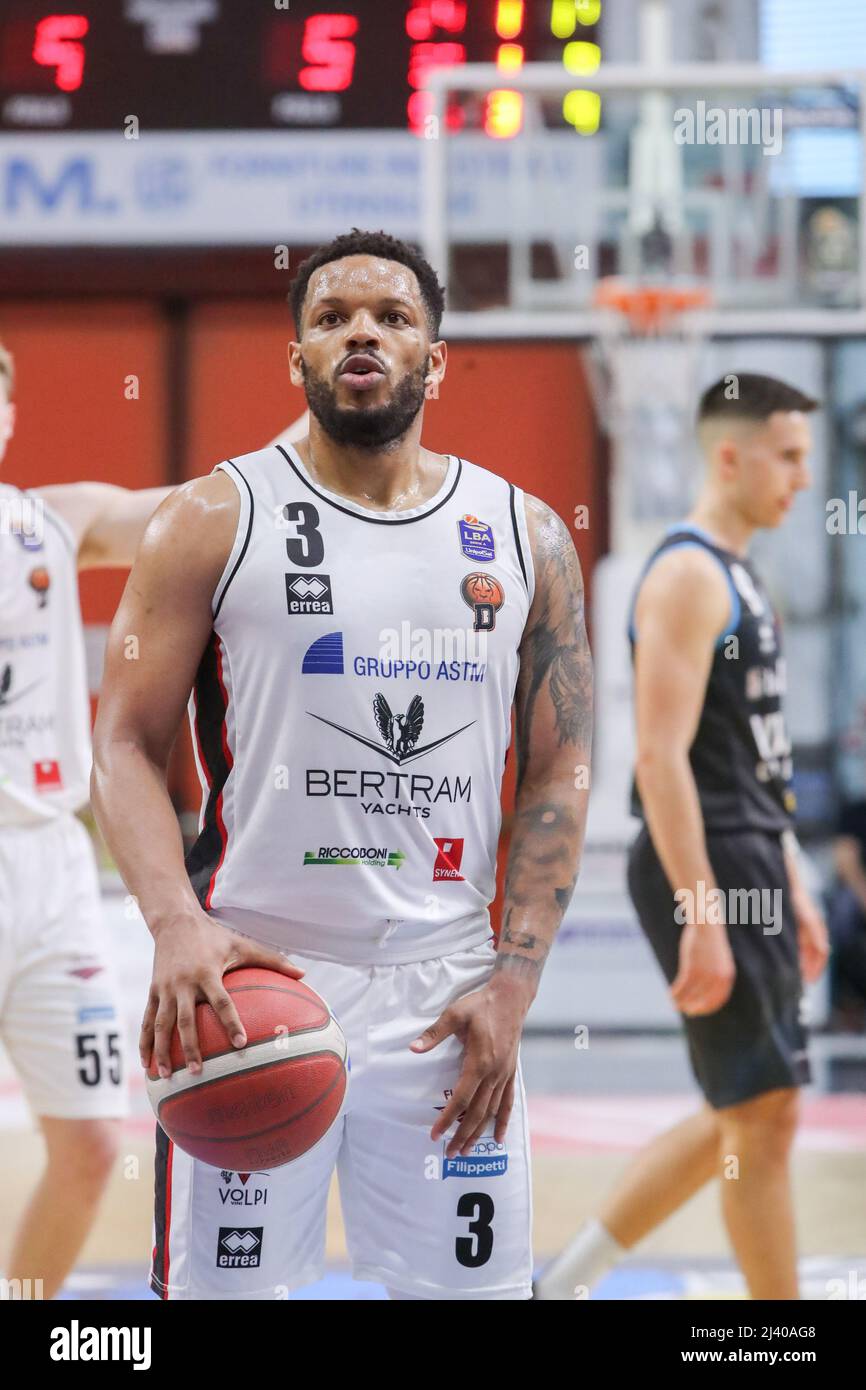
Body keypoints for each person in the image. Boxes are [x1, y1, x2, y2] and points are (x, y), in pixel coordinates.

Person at [91, 227, 594, 1301]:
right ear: (297, 360)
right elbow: (125, 740)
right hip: (252, 985)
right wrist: (174, 923)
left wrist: (513, 981)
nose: (360, 331)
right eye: (331, 318)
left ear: (435, 358)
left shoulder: (525, 535)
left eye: (391, 316)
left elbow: (559, 774)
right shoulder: (210, 518)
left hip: (451, 998)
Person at [535, 373, 829, 1301]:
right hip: (704, 862)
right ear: (728, 456)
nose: (802, 477)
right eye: (787, 456)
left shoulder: (744, 574)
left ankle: (566, 1283)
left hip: (751, 852)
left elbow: (754, 759)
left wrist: (796, 877)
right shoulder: (687, 575)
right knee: (761, 1116)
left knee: (753, 1106)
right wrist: (704, 910)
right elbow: (659, 761)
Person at [0, 341, 172, 1298]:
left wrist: (323, 432)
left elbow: (198, 505)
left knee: (94, 1146)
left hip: (51, 867)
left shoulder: (48, 523)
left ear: (12, 418)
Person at [827, 796, 866, 1025]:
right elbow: (844, 859)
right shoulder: (856, 811)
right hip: (858, 891)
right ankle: (847, 998)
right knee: (843, 909)